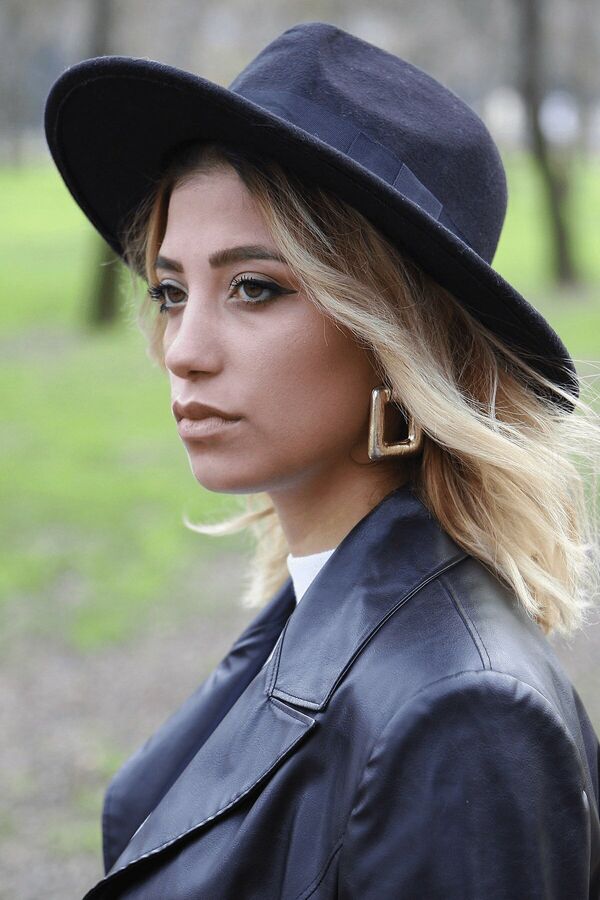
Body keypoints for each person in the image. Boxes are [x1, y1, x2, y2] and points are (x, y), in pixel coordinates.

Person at [44, 21, 600, 900]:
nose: (184, 350)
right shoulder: (312, 600)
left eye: (255, 288)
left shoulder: (462, 715)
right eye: (171, 291)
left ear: (395, 339)